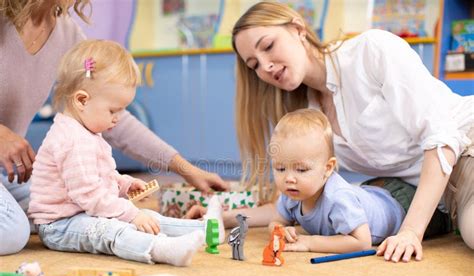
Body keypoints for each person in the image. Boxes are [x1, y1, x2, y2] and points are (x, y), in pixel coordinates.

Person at [228, 2, 473, 262]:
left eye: (268, 46)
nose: (265, 66)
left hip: (466, 147)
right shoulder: (308, 117)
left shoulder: (371, 50)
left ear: (297, 29)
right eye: (254, 64)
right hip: (443, 193)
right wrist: (222, 217)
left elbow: (442, 136)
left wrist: (410, 231)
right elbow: (298, 198)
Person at [0, 0, 228, 255]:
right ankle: (157, 248)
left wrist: (184, 168)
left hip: (8, 173)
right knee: (13, 231)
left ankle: (194, 230)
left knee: (56, 202)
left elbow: (111, 117)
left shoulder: (67, 35)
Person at [269, 109, 450, 253]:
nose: (289, 178)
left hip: (402, 204)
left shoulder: (337, 199)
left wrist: (310, 243)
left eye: (301, 169)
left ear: (328, 169)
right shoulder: (291, 193)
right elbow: (276, 221)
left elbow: (362, 242)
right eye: (280, 168)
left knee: (446, 218)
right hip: (373, 191)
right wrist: (279, 230)